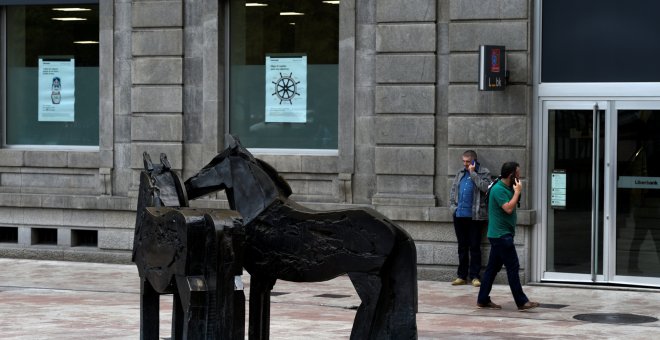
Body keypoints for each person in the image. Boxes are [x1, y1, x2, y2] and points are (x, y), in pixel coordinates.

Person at [477, 161, 539, 311]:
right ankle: (522, 301)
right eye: (517, 174)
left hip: (501, 235)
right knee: (513, 267)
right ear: (511, 175)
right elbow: (508, 209)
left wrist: (516, 191)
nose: (519, 176)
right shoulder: (499, 189)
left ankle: (483, 299)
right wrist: (517, 192)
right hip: (501, 236)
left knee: (492, 268)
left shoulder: (505, 186)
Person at [449, 150, 492, 287]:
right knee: (462, 247)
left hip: (475, 217)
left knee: (474, 246)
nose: (465, 164)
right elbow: (453, 190)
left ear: (474, 161)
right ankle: (461, 276)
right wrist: (453, 208)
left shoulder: (484, 172)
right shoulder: (460, 173)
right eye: (464, 161)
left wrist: (473, 174)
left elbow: (486, 188)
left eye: (467, 161)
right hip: (459, 215)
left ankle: (474, 276)